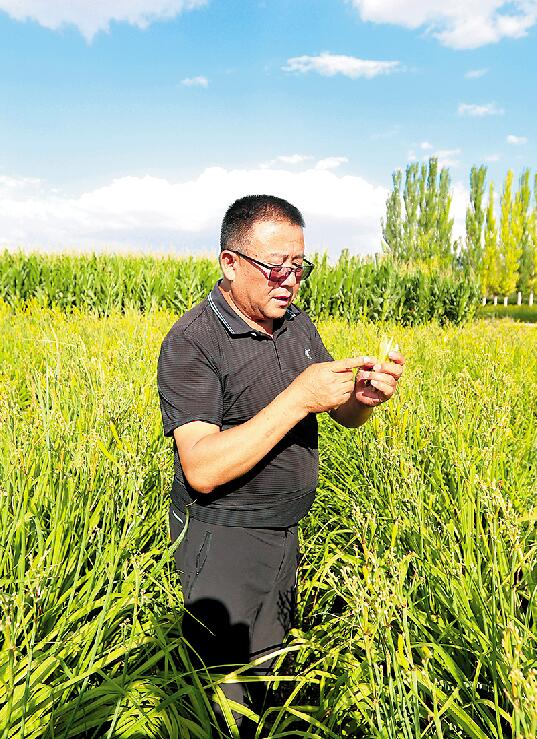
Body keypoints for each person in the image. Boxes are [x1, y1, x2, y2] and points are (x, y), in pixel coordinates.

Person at [157, 194, 404, 733]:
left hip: (285, 531)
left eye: (299, 266)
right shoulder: (192, 342)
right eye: (275, 267)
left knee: (270, 675)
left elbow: (340, 413)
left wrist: (363, 398)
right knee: (223, 698)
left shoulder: (295, 323)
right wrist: (297, 398)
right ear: (230, 263)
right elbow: (201, 467)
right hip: (222, 541)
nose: (289, 281)